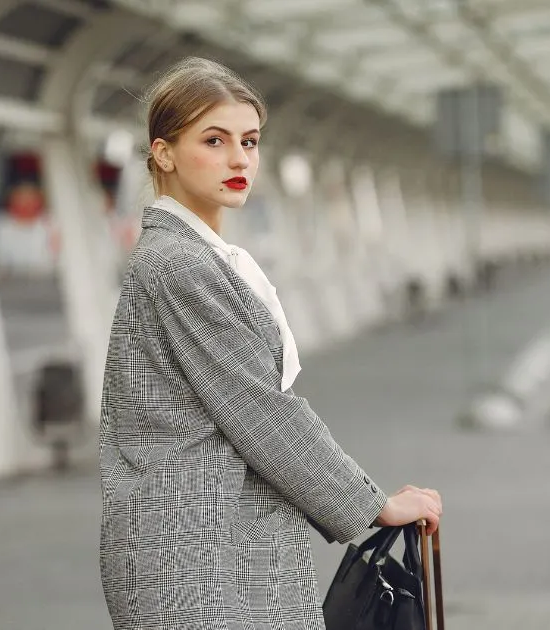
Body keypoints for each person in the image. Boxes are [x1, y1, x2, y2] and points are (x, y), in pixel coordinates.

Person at [98, 57, 443, 629]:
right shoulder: (179, 264)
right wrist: (372, 504)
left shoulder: (197, 257)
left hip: (206, 538)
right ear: (163, 152)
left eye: (250, 141)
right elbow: (260, 409)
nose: (239, 159)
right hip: (194, 551)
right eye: (215, 140)